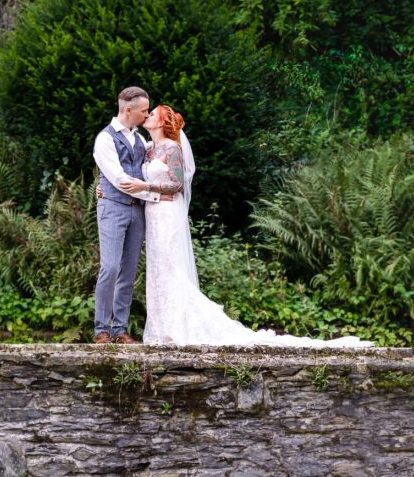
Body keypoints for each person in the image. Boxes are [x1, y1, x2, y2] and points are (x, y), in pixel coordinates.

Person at [114, 104, 373, 348]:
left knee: (171, 269)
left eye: (152, 113)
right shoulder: (149, 149)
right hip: (153, 214)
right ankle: (160, 330)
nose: (147, 115)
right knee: (157, 270)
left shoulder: (172, 149)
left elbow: (178, 185)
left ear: (162, 121)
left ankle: (178, 327)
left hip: (168, 214)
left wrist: (146, 187)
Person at [91, 87, 173, 345]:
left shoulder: (140, 141)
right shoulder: (105, 139)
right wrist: (156, 195)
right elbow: (119, 179)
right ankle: (101, 330)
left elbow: (149, 172)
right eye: (143, 111)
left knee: (128, 271)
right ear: (129, 109)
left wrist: (150, 193)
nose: (146, 114)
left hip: (138, 211)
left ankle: (120, 330)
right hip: (113, 208)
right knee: (110, 267)